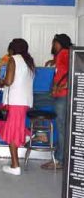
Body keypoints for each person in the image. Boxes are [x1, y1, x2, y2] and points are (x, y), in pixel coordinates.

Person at [0, 38, 35, 175]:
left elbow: (8, 81)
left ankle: (15, 166)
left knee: (12, 132)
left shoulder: (13, 59)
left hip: (14, 102)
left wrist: (0, 81)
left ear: (12, 49)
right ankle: (27, 136)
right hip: (21, 102)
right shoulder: (28, 61)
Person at [41, 34, 72, 170]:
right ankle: (42, 134)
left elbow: (75, 72)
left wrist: (62, 86)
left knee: (61, 128)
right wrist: (53, 62)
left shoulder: (65, 53)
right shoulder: (61, 55)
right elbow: (63, 70)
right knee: (61, 127)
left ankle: (59, 160)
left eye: (54, 43)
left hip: (63, 96)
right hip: (59, 95)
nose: (52, 46)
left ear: (59, 43)